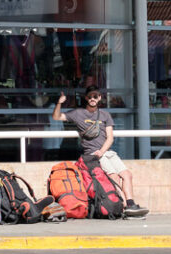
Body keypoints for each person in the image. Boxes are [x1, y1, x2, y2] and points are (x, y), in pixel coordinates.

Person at [52, 84, 148, 217]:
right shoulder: (78, 113)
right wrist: (59, 103)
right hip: (93, 154)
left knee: (127, 174)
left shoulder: (105, 115)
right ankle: (120, 205)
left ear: (99, 98)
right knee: (113, 176)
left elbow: (110, 137)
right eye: (90, 96)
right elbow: (56, 117)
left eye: (95, 96)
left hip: (106, 152)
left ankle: (130, 204)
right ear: (86, 98)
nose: (93, 98)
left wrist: (102, 151)